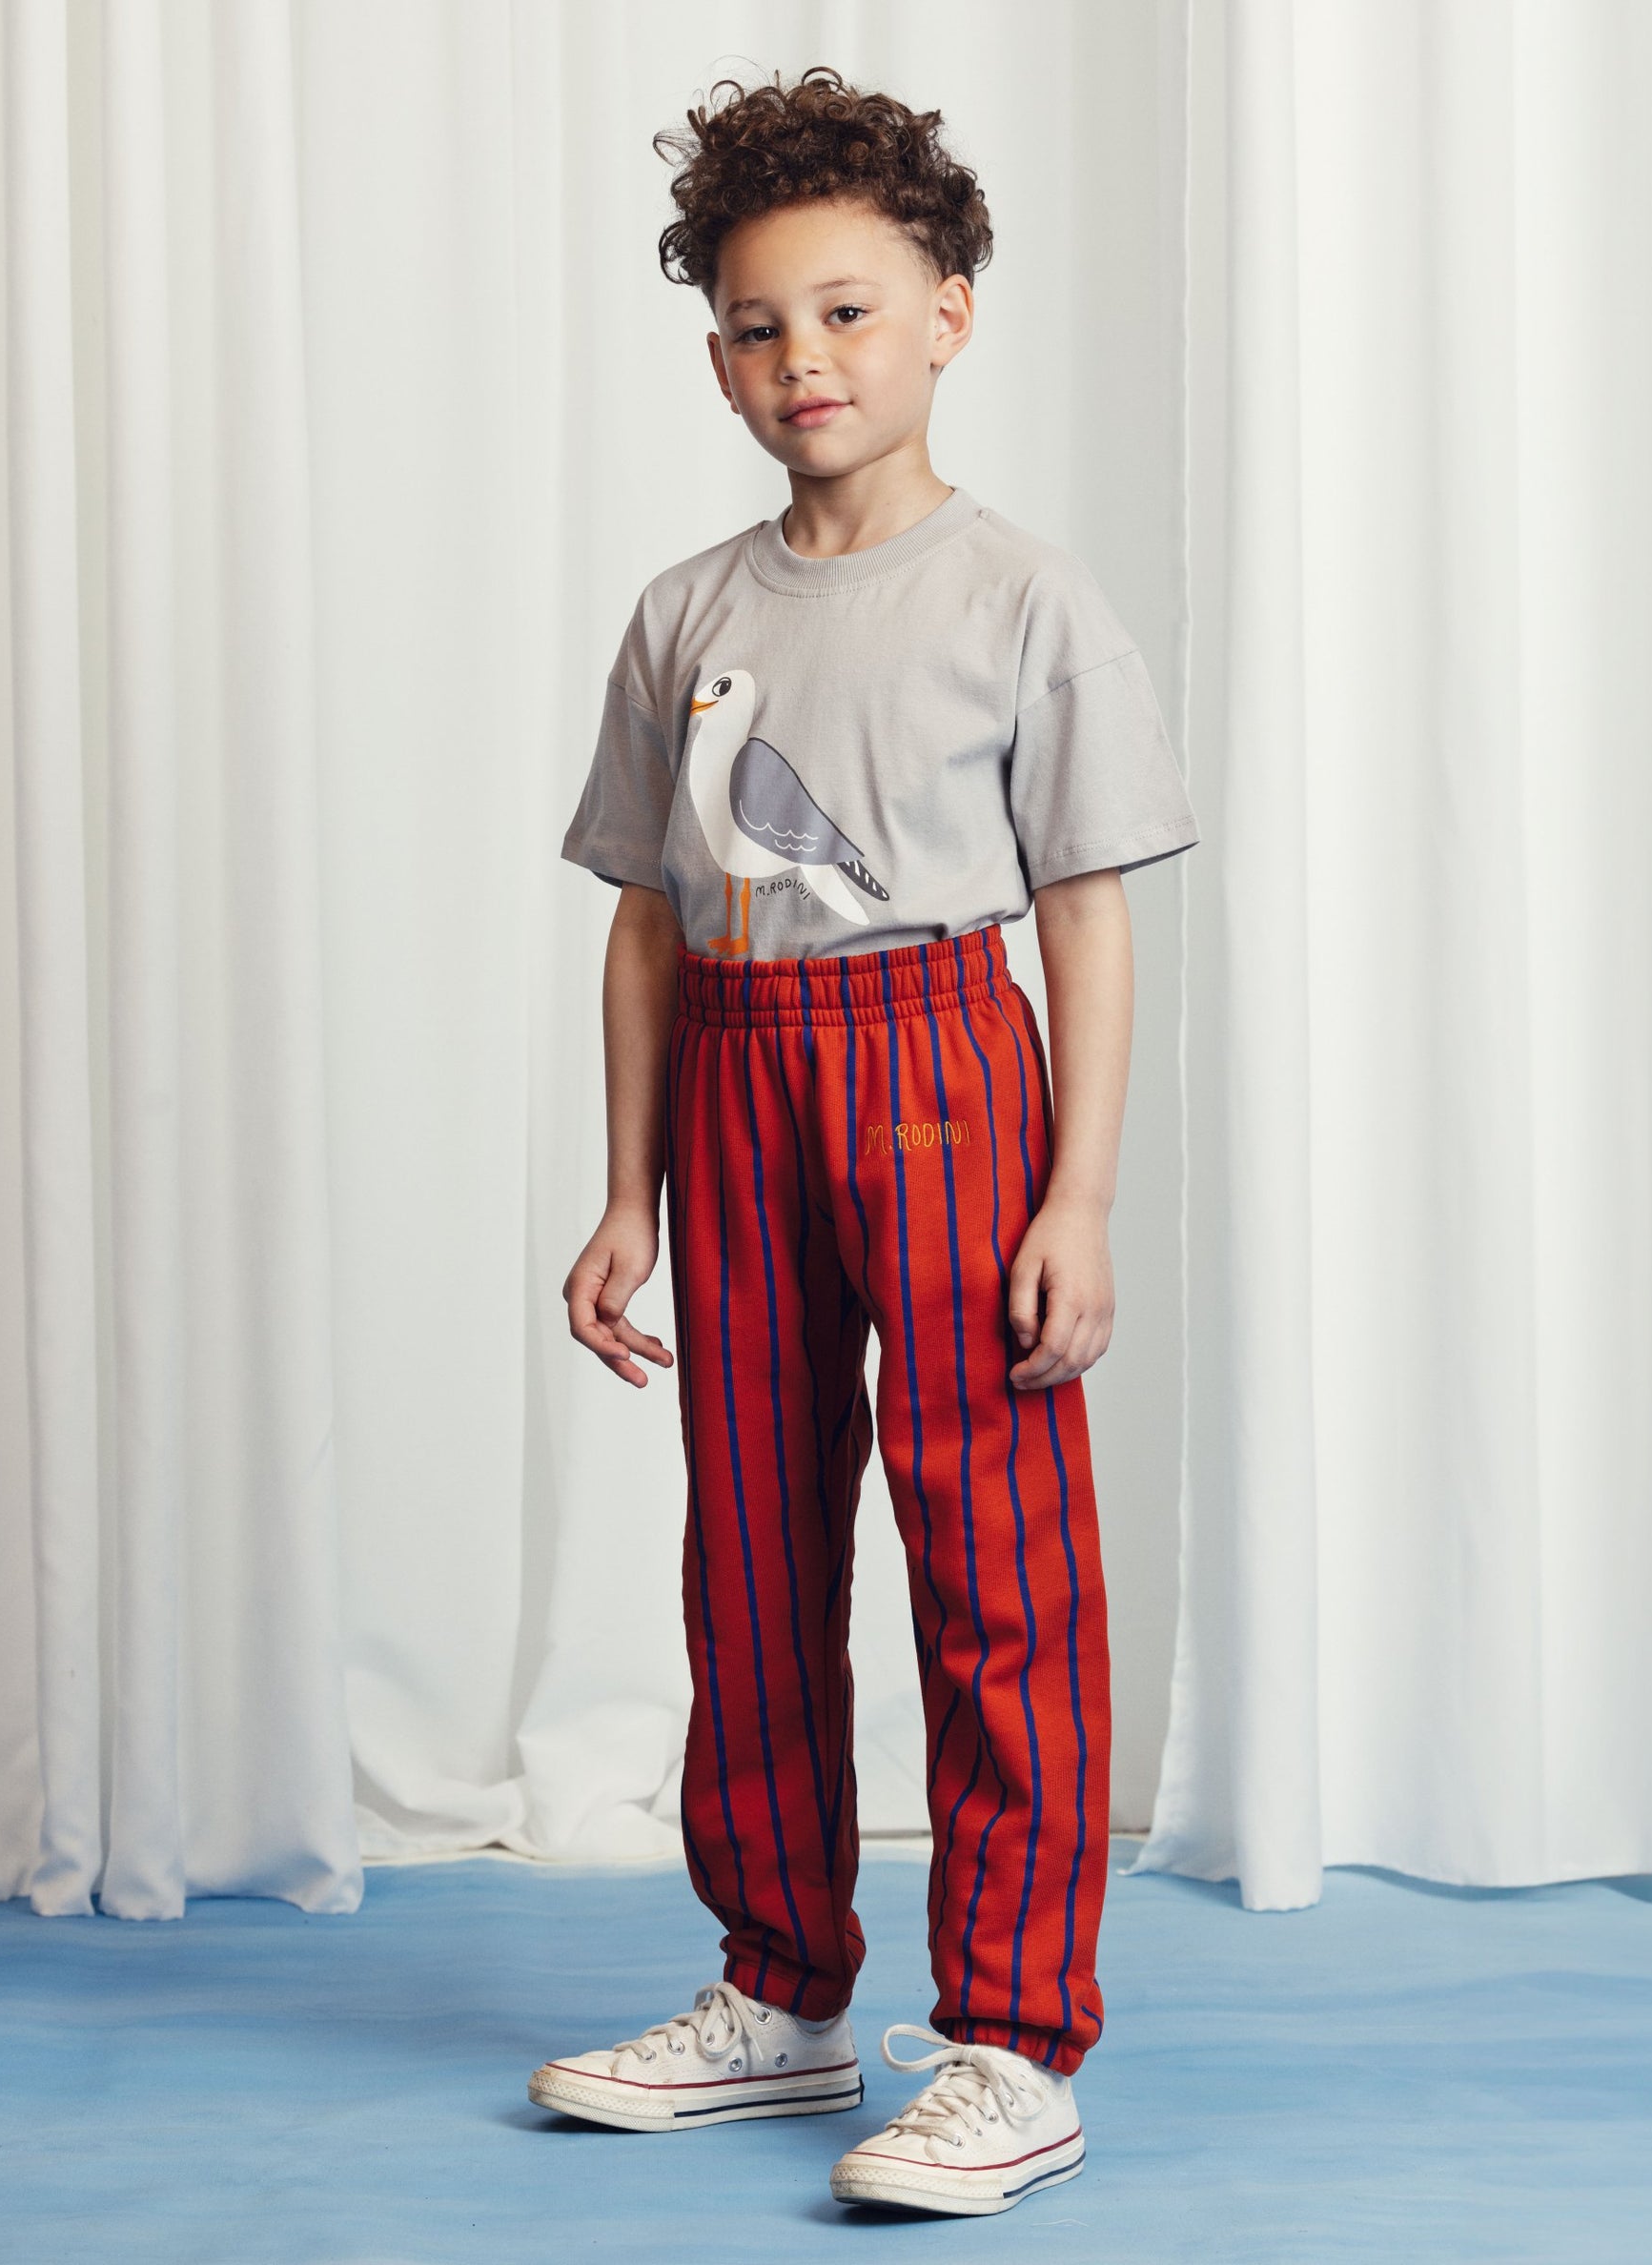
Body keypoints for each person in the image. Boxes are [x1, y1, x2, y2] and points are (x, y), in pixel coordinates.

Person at [530, 67, 1198, 2218]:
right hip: (731, 1075)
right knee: (750, 1554)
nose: (798, 360)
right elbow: (647, 922)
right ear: (712, 349)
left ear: (949, 312)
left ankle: (1009, 2039)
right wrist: (625, 1190)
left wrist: (1076, 1195)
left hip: (939, 1075)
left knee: (996, 1567)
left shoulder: (1022, 597)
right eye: (751, 323)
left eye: (842, 310)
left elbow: (1083, 912)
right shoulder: (683, 612)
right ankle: (779, 1989)